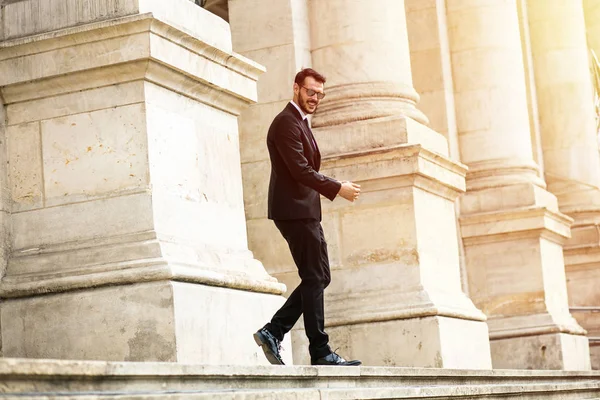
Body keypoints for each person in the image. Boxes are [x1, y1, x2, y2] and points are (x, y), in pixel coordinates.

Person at [253, 68, 362, 366]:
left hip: (304, 211)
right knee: (315, 276)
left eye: (320, 94)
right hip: (294, 211)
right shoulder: (285, 123)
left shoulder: (299, 122)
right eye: (311, 92)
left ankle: (273, 331)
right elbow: (300, 170)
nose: (316, 98)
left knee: (320, 276)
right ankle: (320, 351)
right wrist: (338, 187)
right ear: (297, 88)